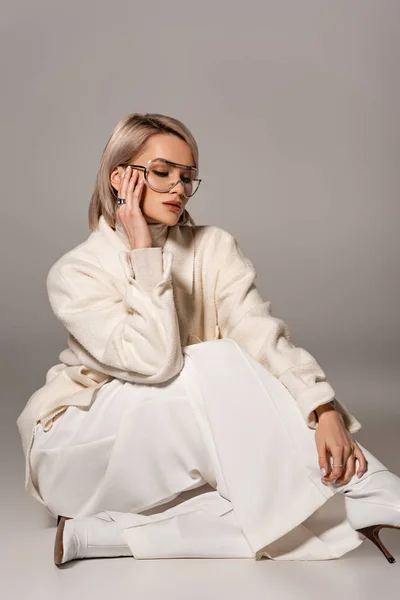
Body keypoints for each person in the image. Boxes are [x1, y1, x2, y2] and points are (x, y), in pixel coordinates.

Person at [17, 112, 400, 566]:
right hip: (80, 448)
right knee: (212, 360)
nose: (178, 188)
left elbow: (262, 336)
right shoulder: (76, 271)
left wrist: (323, 409)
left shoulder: (214, 247)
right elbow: (157, 362)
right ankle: (369, 487)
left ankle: (101, 538)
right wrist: (145, 253)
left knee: (271, 496)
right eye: (161, 173)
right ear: (120, 178)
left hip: (175, 444)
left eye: (186, 177)